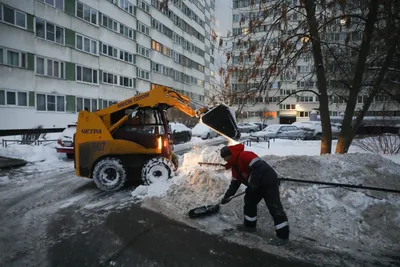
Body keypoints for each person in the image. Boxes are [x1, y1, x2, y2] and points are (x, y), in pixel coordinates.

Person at [220, 143, 290, 246]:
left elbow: (260, 167)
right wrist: (227, 197)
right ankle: (250, 226)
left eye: (225, 157)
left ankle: (283, 237)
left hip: (268, 181)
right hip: (256, 186)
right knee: (249, 201)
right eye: (224, 158)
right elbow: (234, 184)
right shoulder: (234, 167)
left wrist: (253, 184)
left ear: (230, 154)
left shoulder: (244, 155)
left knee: (274, 207)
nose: (225, 160)